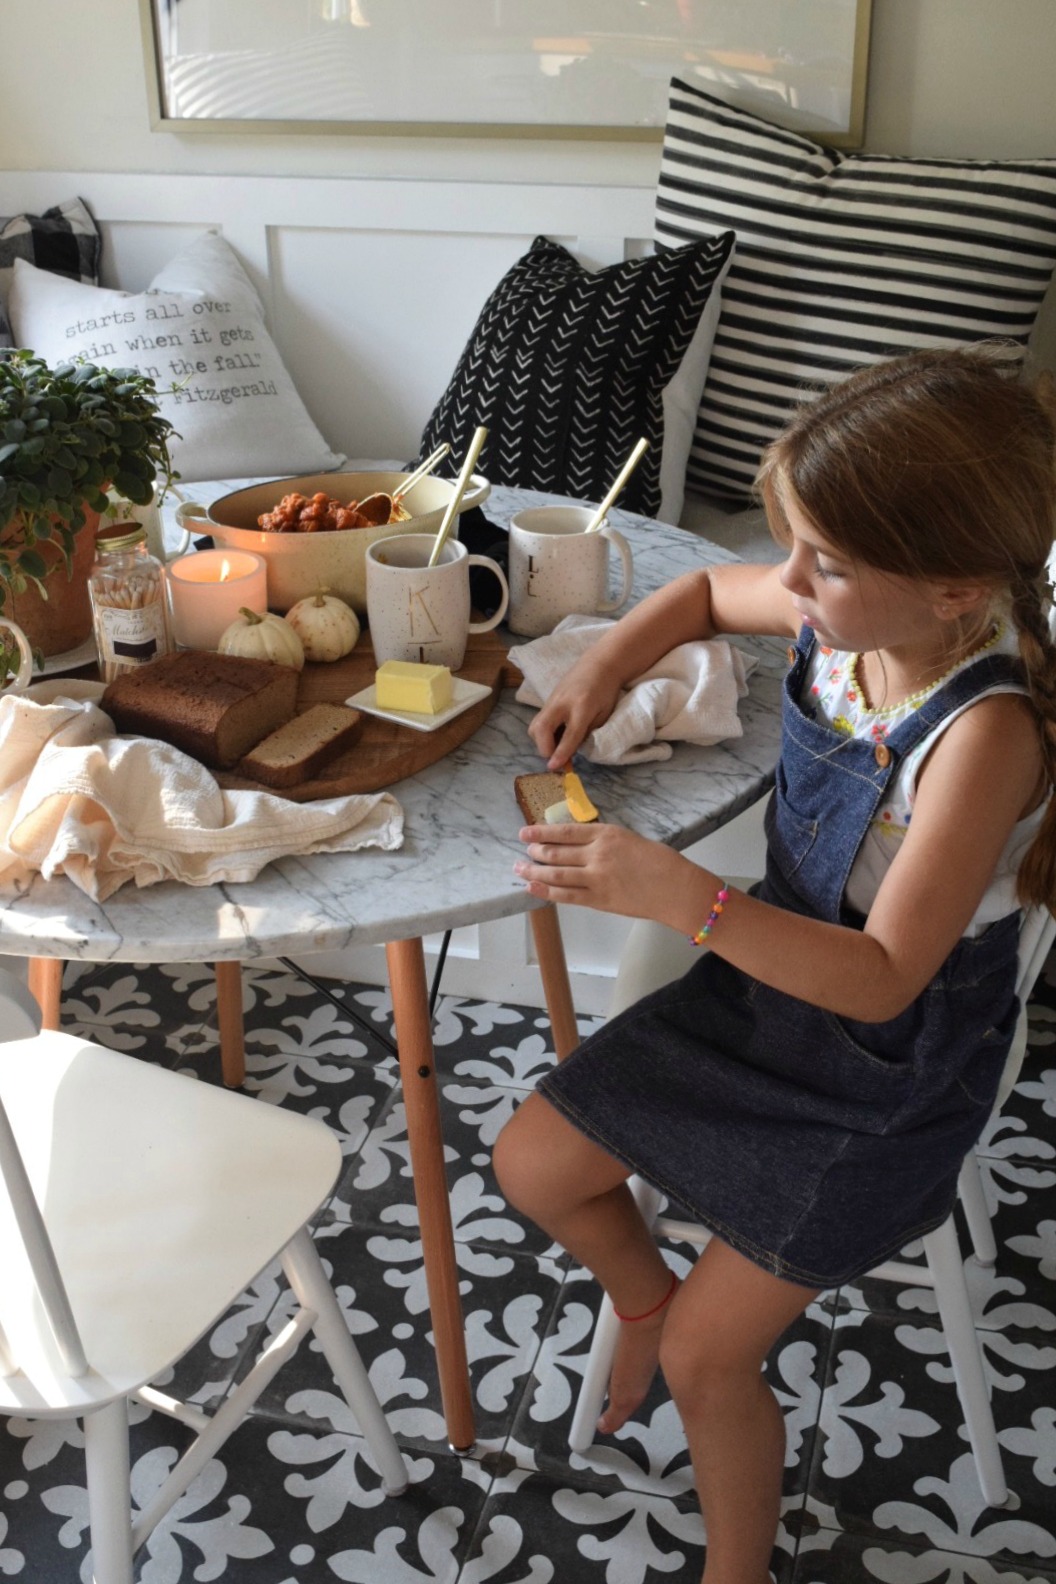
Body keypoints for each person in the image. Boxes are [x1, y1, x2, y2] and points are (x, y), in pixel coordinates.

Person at [492, 346, 1056, 1584]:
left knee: (709, 1357)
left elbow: (887, 978)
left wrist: (683, 897)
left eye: (828, 564)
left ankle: (733, 1568)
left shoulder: (982, 734)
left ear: (956, 589)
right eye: (795, 548)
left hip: (889, 1069)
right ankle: (642, 1297)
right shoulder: (845, 616)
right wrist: (601, 665)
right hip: (764, 988)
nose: (791, 583)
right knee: (530, 1160)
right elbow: (698, 599)